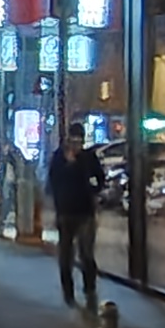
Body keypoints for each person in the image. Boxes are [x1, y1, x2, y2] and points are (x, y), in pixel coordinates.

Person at [44, 129, 107, 306]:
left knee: (86, 253)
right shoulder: (59, 157)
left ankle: (89, 287)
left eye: (79, 141)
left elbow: (99, 178)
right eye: (72, 141)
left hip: (85, 211)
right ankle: (68, 291)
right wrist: (68, 165)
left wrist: (93, 191)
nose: (75, 145)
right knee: (66, 254)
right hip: (65, 211)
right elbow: (53, 182)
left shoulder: (87, 157)